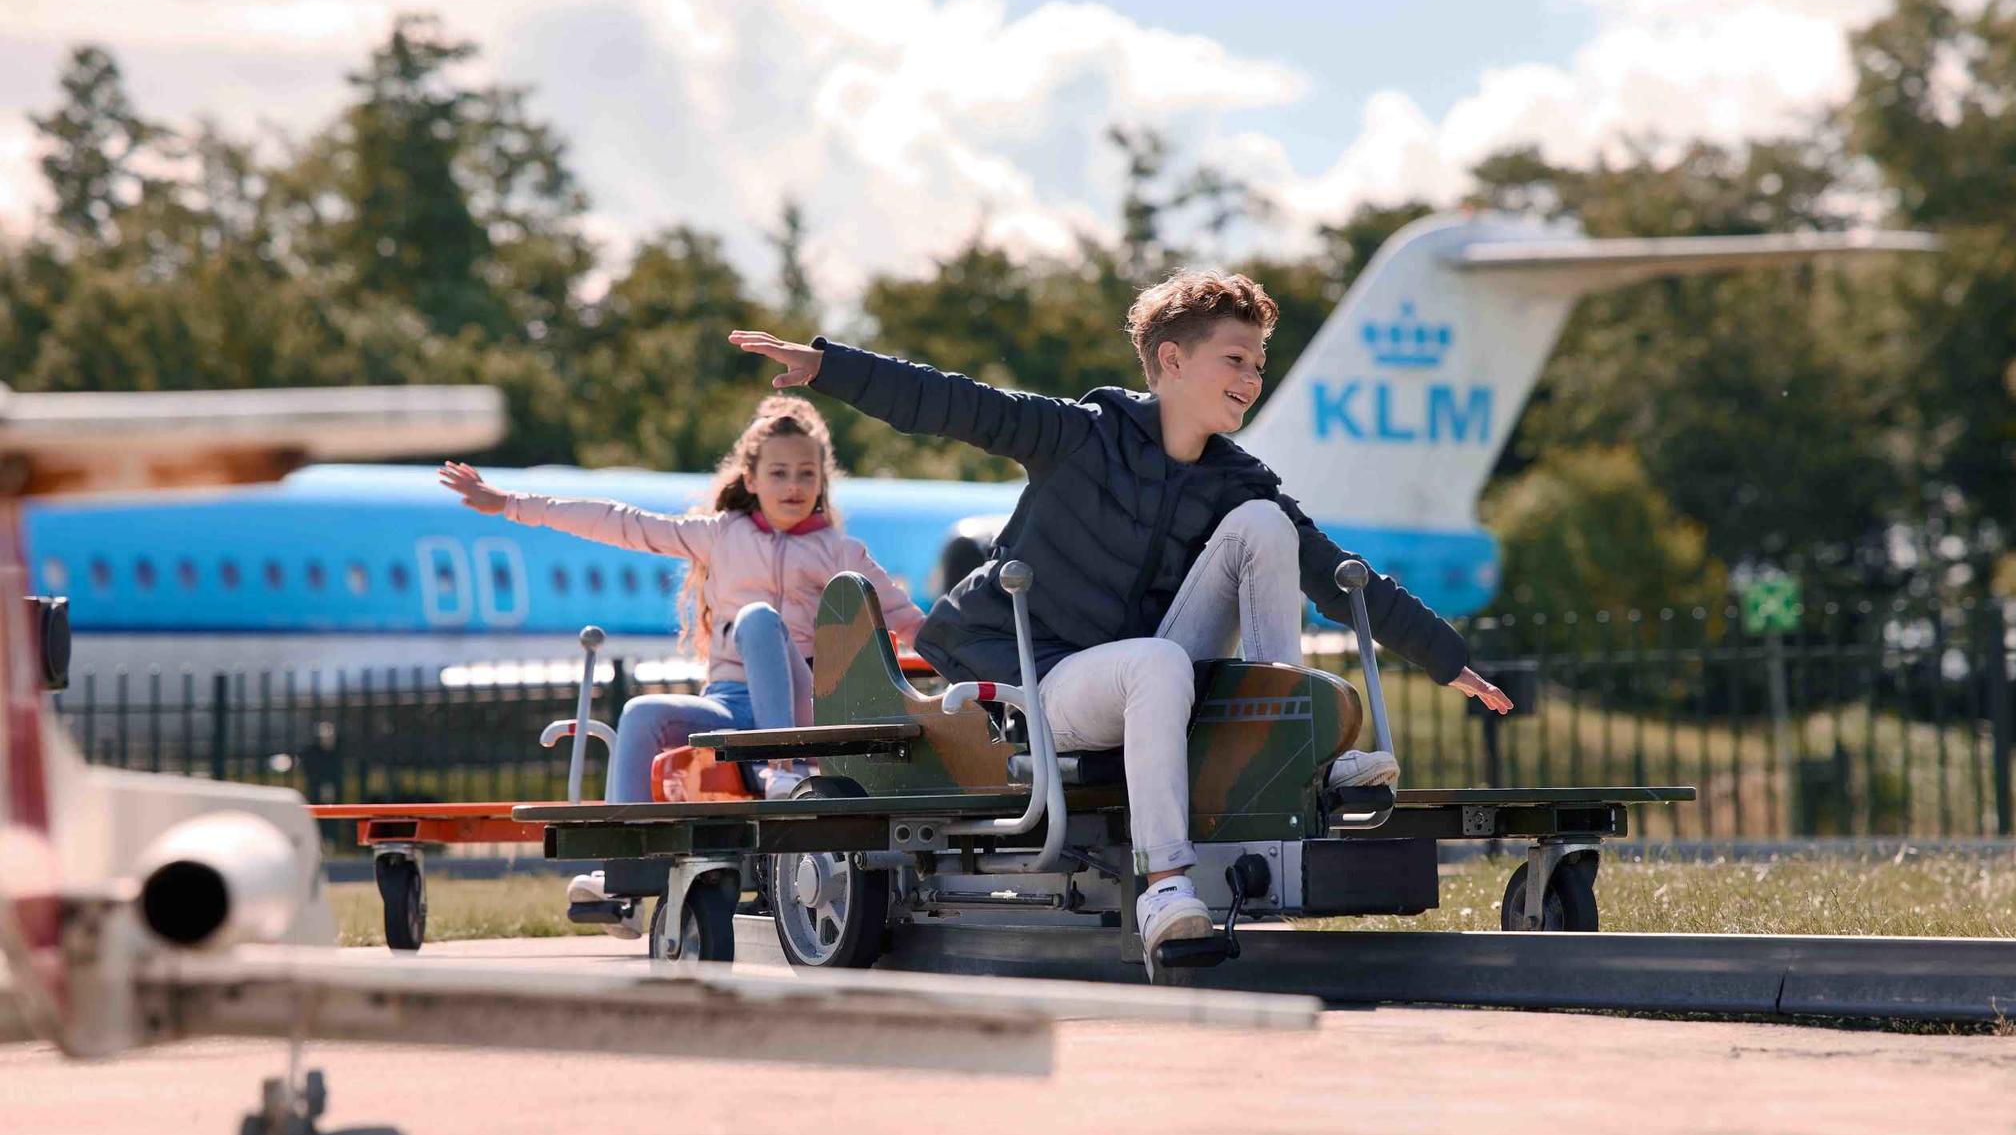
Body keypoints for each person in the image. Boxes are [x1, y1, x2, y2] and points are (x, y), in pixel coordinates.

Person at [731, 270, 1512, 974]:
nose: (1253, 379)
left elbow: (1340, 578)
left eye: (1258, 363)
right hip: (1045, 681)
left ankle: (1292, 751)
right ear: (1172, 361)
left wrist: (1448, 658)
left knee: (1266, 527)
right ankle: (1165, 888)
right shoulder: (1081, 434)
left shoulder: (1235, 479)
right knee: (1155, 663)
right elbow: (952, 402)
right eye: (1235, 360)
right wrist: (829, 367)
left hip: (1145, 664)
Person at [438, 395, 923, 937]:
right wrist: (509, 503)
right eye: (779, 472)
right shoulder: (720, 535)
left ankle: (779, 770)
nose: (793, 485)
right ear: (751, 479)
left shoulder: (840, 551)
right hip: (731, 704)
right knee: (642, 713)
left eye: (806, 473)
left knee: (758, 619)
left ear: (822, 481)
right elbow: (622, 523)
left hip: (802, 708)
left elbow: (908, 621)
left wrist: (977, 659)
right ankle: (623, 878)